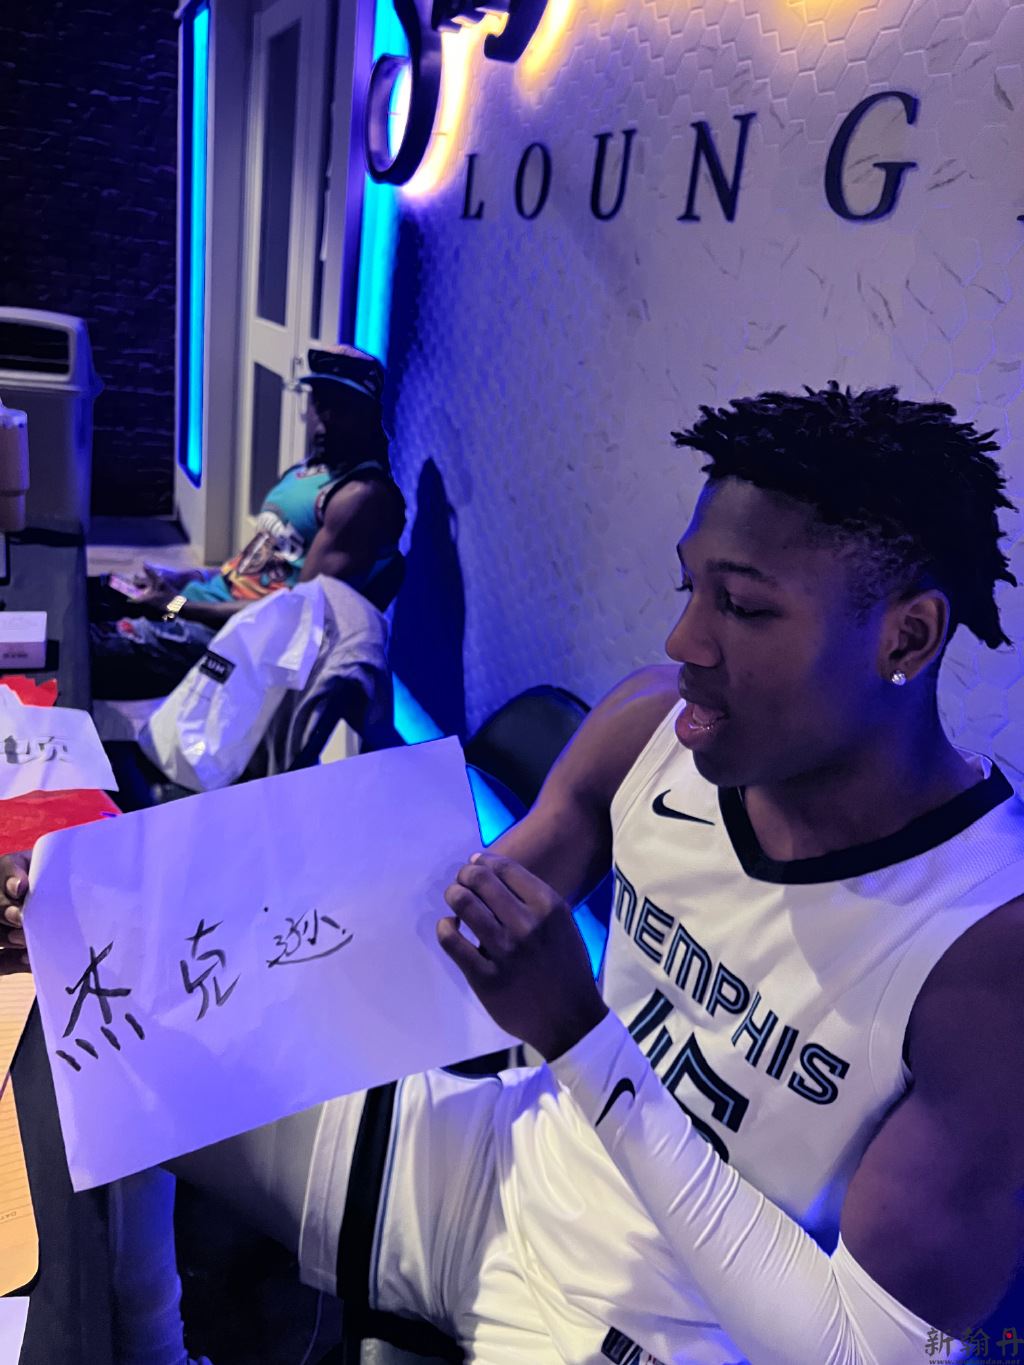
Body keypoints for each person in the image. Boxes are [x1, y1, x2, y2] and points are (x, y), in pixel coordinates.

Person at [6, 382, 1024, 1363]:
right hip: (501, 1163)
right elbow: (424, 929)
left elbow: (861, 1349)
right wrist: (114, 910)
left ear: (907, 634)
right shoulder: (653, 726)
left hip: (658, 1330)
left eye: (744, 608)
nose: (684, 640)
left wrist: (580, 1034)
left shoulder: (987, 949)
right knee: (98, 1030)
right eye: (690, 589)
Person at [89, 344, 407, 700]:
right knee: (95, 590)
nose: (325, 418)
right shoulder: (306, 472)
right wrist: (186, 577)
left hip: (233, 640)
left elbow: (297, 615)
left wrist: (176, 606)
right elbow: (248, 567)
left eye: (342, 407)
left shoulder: (360, 498)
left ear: (367, 415)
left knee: (83, 651)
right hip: (197, 606)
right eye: (320, 402)